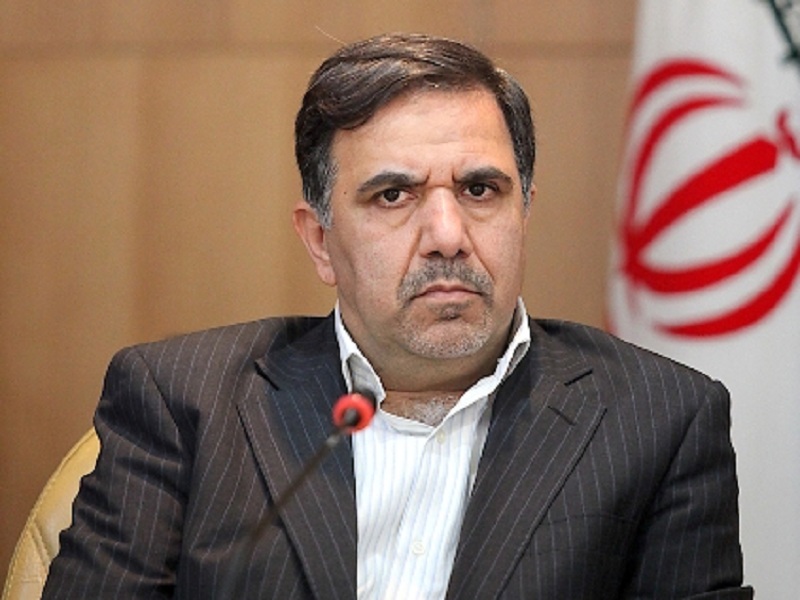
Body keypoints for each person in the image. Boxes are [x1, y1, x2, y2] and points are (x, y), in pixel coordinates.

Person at [43, 33, 752, 599]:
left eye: (480, 189)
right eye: (393, 195)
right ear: (320, 241)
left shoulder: (659, 419)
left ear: (524, 212)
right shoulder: (184, 402)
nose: (447, 234)